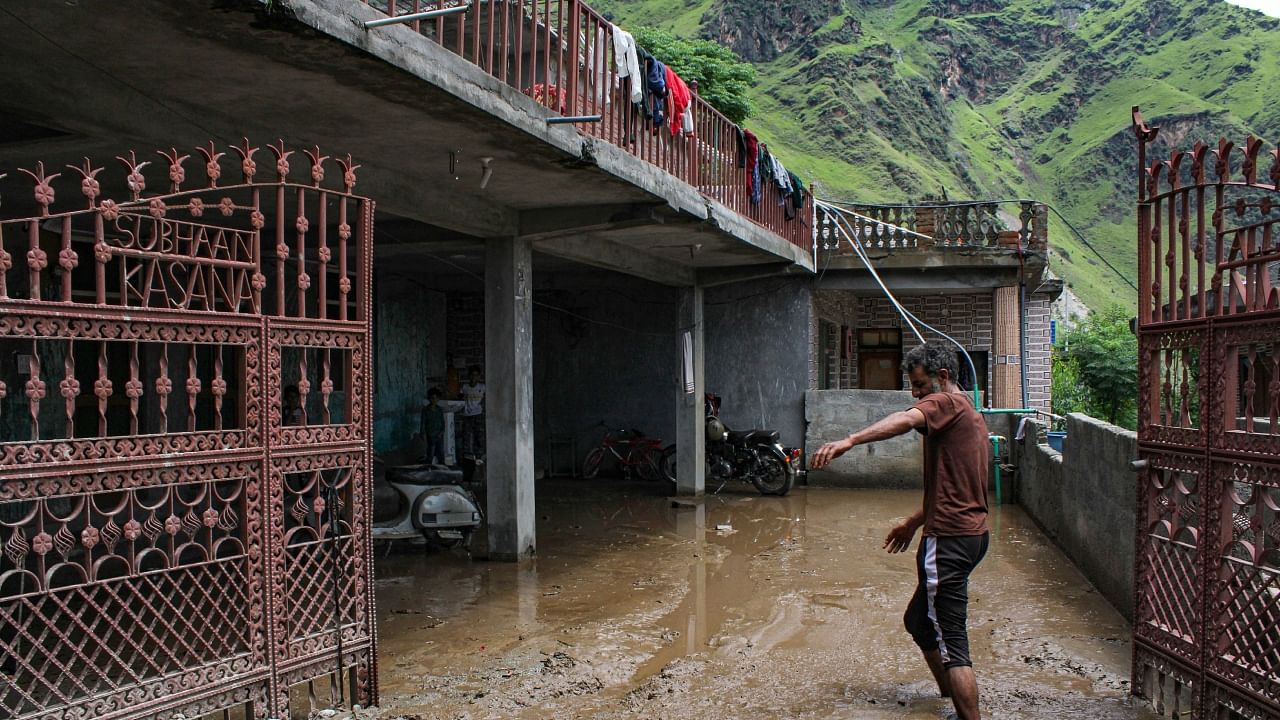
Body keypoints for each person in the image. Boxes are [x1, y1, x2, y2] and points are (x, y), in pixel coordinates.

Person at [810, 341, 990, 720]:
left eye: (920, 386)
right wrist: (912, 522)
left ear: (943, 378)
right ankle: (949, 699)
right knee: (919, 622)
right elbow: (954, 488)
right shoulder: (968, 415)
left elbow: (905, 419)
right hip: (970, 535)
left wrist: (850, 441)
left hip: (950, 541)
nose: (916, 395)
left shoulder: (947, 404)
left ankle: (968, 713)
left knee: (953, 642)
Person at [457, 366, 486, 480]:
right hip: (467, 415)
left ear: (479, 376)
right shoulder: (465, 387)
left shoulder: (482, 387)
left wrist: (482, 406)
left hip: (478, 414)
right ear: (469, 376)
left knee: (479, 437)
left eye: (476, 375)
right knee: (468, 438)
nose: (474, 377)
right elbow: (459, 397)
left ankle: (479, 460)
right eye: (472, 375)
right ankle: (468, 461)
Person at [421, 387, 446, 465]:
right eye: (432, 398)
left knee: (441, 453)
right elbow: (423, 423)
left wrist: (441, 432)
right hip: (430, 434)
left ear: (438, 399)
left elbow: (443, 422)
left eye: (436, 398)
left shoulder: (439, 410)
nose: (434, 400)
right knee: (430, 453)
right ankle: (428, 469)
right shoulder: (425, 410)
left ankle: (443, 469)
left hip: (439, 435)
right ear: (429, 398)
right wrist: (422, 433)